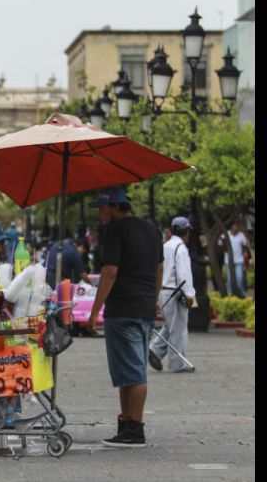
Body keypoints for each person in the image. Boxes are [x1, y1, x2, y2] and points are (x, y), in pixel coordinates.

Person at [85, 186, 164, 448]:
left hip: (123, 309)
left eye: (103, 209)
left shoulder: (115, 232)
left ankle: (135, 429)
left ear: (116, 207)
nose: (100, 214)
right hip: (144, 308)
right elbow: (159, 269)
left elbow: (110, 272)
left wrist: (95, 311)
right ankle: (127, 422)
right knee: (126, 371)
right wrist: (153, 298)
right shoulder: (152, 230)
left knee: (134, 371)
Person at [149, 216, 196, 374]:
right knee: (178, 329)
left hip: (164, 290)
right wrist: (190, 295)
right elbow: (184, 274)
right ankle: (177, 364)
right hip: (176, 291)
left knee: (171, 325)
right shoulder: (180, 248)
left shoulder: (166, 246)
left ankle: (155, 350)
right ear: (187, 231)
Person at [222, 222, 248, 297]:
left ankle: (240, 293)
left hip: (239, 260)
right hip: (229, 261)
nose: (237, 228)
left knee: (239, 277)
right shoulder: (225, 234)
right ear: (232, 226)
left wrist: (245, 254)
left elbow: (244, 246)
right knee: (230, 279)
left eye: (238, 226)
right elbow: (222, 246)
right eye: (236, 226)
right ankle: (231, 294)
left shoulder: (241, 235)